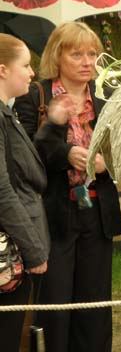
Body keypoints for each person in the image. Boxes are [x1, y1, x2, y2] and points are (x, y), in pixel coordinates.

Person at [13, 22, 121, 352]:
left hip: (96, 213)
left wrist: (106, 166)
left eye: (92, 53)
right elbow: (24, 155)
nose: (87, 61)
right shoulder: (36, 96)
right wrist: (65, 153)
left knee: (94, 306)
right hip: (55, 216)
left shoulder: (105, 103)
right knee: (56, 305)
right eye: (77, 54)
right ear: (57, 56)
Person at [0, 34, 49, 352]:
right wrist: (33, 250)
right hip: (9, 252)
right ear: (2, 70)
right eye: (26, 66)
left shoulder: (8, 112)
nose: (32, 74)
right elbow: (2, 191)